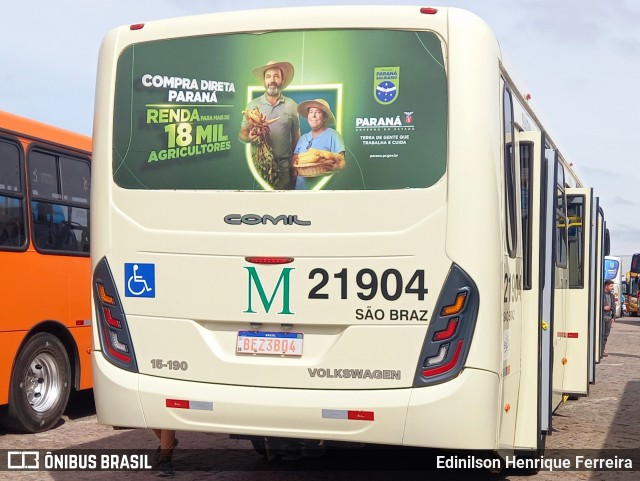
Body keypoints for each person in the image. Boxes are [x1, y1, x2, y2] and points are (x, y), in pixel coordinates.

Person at [239, 60, 300, 189]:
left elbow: (296, 135)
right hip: (259, 166)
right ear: (264, 81)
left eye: (276, 76)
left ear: (282, 80)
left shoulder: (292, 105)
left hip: (284, 168)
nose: (272, 80)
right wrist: (248, 137)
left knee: (284, 206)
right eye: (268, 76)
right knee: (259, 206)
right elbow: (242, 133)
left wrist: (294, 161)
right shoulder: (253, 105)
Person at [292, 98, 346, 189]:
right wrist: (295, 168)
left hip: (322, 190)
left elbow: (342, 161)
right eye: (311, 112)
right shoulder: (303, 138)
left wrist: (337, 167)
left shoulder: (333, 135)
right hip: (301, 189)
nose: (313, 115)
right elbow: (295, 159)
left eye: (318, 112)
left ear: (325, 117)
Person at [602, 279, 616, 357]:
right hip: (602, 317)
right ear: (606, 286)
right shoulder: (601, 294)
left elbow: (613, 306)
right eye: (611, 286)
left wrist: (613, 316)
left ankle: (602, 350)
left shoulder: (611, 295)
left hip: (608, 318)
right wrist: (603, 307)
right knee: (601, 334)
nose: (612, 287)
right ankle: (599, 350)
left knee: (606, 335)